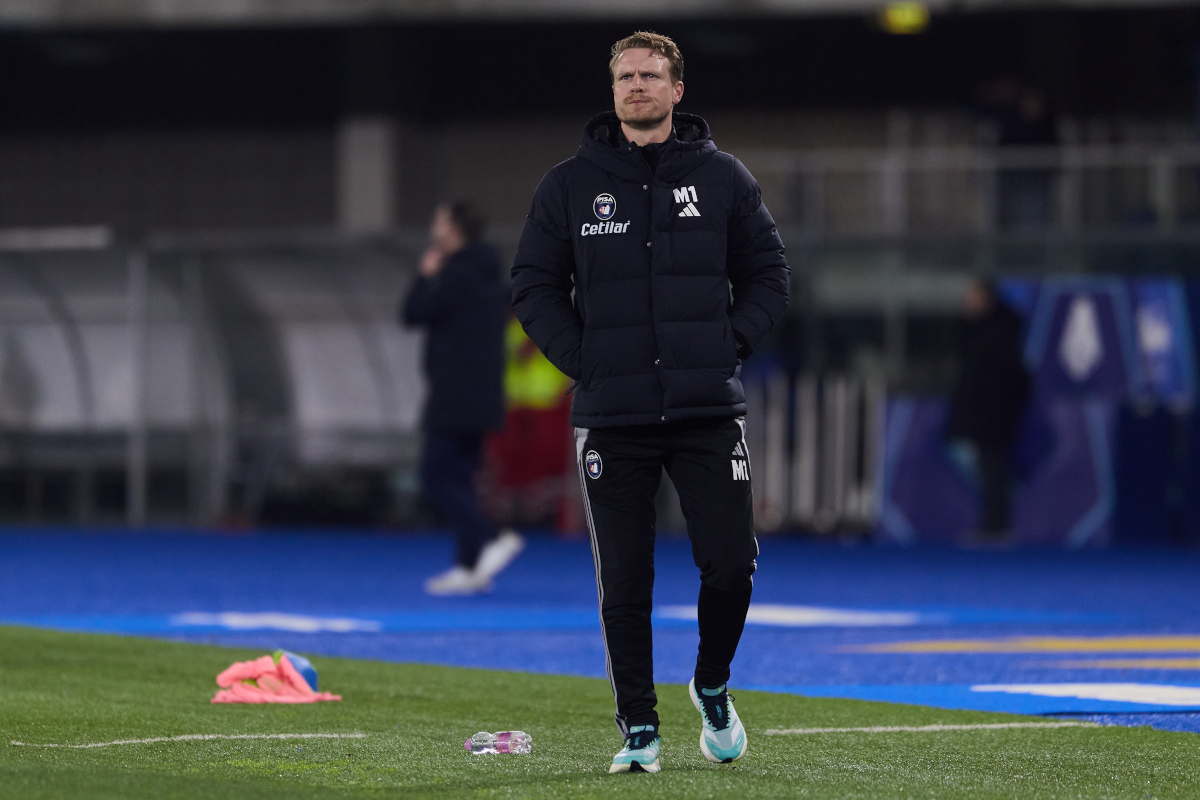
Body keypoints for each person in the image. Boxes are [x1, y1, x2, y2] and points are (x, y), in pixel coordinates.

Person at [511, 31, 789, 774]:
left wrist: (729, 345)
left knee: (731, 566)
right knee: (625, 584)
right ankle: (640, 729)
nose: (636, 85)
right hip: (613, 416)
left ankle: (712, 684)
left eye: (650, 75)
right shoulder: (568, 186)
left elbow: (769, 273)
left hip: (706, 410)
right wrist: (585, 361)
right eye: (625, 76)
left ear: (677, 90)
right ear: (613, 92)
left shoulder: (724, 178)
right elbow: (533, 284)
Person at [402, 202, 524, 595]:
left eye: (438, 221)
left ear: (453, 229)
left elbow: (413, 314)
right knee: (461, 480)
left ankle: (490, 537)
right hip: (484, 394)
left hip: (454, 394)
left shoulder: (455, 273)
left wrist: (424, 276)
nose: (433, 227)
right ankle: (469, 568)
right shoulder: (489, 273)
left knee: (434, 475)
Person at [946, 277, 1031, 544]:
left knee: (994, 469)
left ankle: (996, 526)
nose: (968, 302)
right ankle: (993, 523)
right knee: (984, 467)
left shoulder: (1000, 332)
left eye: (973, 296)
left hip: (995, 414)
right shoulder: (975, 330)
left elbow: (1009, 376)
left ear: (986, 298)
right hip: (980, 414)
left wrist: (1002, 405)